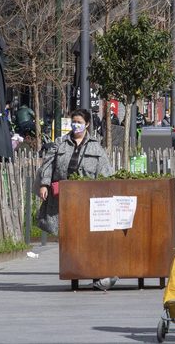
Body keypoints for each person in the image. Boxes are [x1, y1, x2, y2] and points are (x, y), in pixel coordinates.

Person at [36, 108, 114, 290]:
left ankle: (96, 272)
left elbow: (106, 174)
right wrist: (44, 184)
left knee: (89, 237)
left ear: (87, 124)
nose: (75, 125)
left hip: (88, 201)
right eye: (73, 121)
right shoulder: (60, 144)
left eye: (79, 122)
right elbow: (48, 165)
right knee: (69, 236)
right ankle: (75, 271)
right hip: (65, 199)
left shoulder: (96, 147)